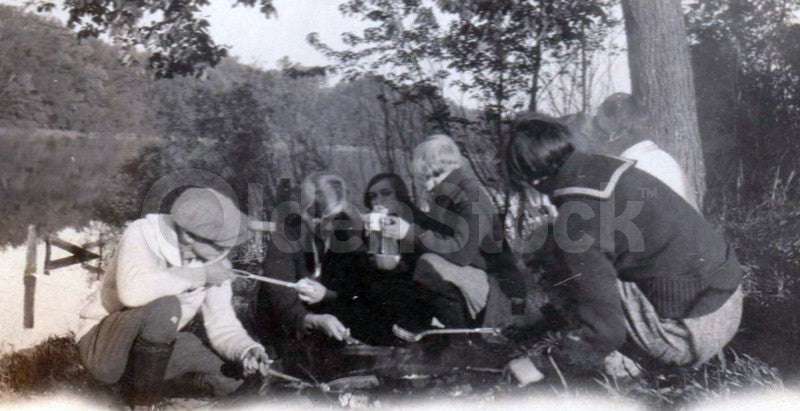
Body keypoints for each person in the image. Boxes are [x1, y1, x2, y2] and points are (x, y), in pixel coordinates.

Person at [504, 118, 743, 374]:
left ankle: (628, 366)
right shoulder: (611, 167)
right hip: (729, 302)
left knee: (550, 249)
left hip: (688, 337)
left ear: (530, 180)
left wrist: (540, 364)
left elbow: (608, 333)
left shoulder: (575, 221)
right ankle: (565, 322)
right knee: (581, 260)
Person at [76, 188, 270, 405]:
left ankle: (136, 386)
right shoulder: (143, 233)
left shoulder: (212, 263)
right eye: (221, 246)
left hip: (151, 348)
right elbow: (132, 293)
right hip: (104, 344)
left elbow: (221, 323)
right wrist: (200, 275)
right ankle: (143, 402)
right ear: (188, 235)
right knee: (167, 306)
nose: (226, 254)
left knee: (230, 377)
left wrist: (246, 350)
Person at [381, 135, 525, 334]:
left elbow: (462, 253)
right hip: (475, 279)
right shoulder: (447, 194)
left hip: (499, 292)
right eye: (424, 178)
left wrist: (410, 232)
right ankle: (419, 334)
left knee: (429, 264)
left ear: (453, 167)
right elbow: (436, 234)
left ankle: (464, 338)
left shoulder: (469, 195)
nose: (429, 185)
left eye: (436, 176)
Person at [256, 172, 372, 347]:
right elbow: (279, 290)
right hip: (288, 324)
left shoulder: (347, 232)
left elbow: (357, 287)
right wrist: (309, 319)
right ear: (303, 210)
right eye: (316, 217)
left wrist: (328, 295)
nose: (326, 225)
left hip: (332, 324)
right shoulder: (287, 234)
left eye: (332, 217)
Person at [593, 93, 699, 210]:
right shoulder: (661, 158)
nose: (598, 142)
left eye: (600, 131)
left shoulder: (631, 169)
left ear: (615, 135)